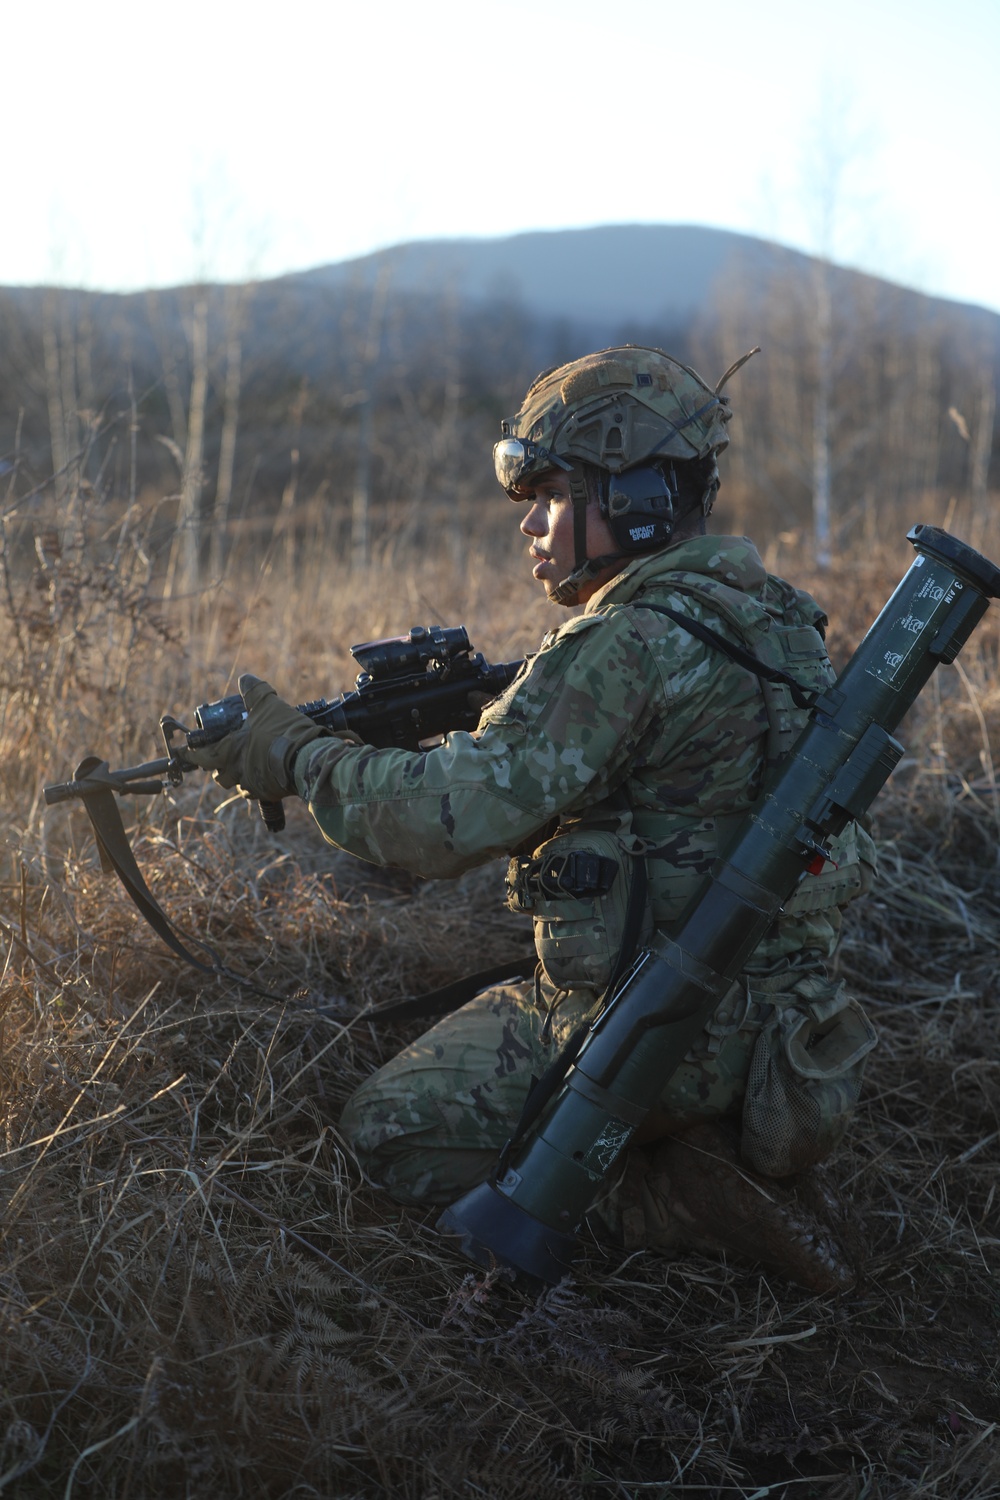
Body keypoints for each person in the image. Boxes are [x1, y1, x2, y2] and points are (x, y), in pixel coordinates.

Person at [188, 346, 877, 1291]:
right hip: (775, 1030)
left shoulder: (622, 645)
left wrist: (300, 757)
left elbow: (441, 822)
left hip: (654, 1032)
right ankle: (693, 1149)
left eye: (552, 491)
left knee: (388, 1131)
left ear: (635, 498)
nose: (529, 520)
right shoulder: (775, 622)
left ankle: (668, 1197)